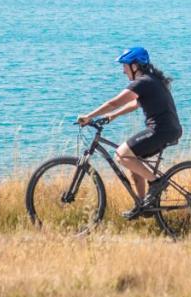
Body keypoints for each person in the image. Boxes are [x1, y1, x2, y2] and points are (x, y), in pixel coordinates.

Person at [77, 47, 182, 220]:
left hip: (160, 131)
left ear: (135, 66)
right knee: (132, 160)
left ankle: (156, 183)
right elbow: (136, 103)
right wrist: (112, 116)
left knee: (121, 155)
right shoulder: (151, 80)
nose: (123, 70)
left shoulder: (142, 82)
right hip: (168, 130)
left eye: (125, 66)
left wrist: (89, 116)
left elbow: (114, 102)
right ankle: (143, 205)